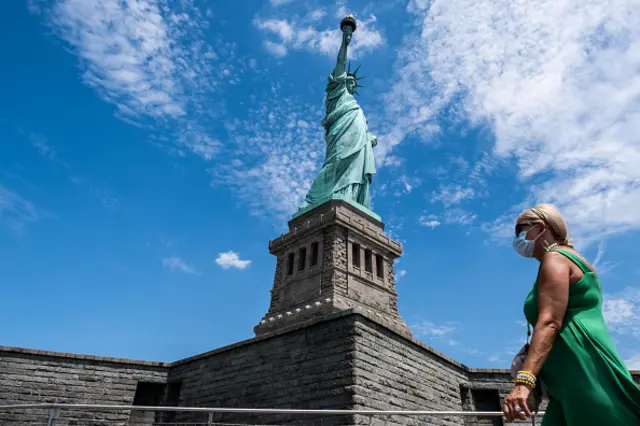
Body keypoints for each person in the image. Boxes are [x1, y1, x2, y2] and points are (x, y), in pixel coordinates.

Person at [503, 204, 640, 425]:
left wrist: (524, 382)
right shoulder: (569, 260)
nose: (516, 238)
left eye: (520, 230)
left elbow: (549, 322)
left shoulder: (555, 258)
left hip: (583, 374)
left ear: (540, 228)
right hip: (565, 384)